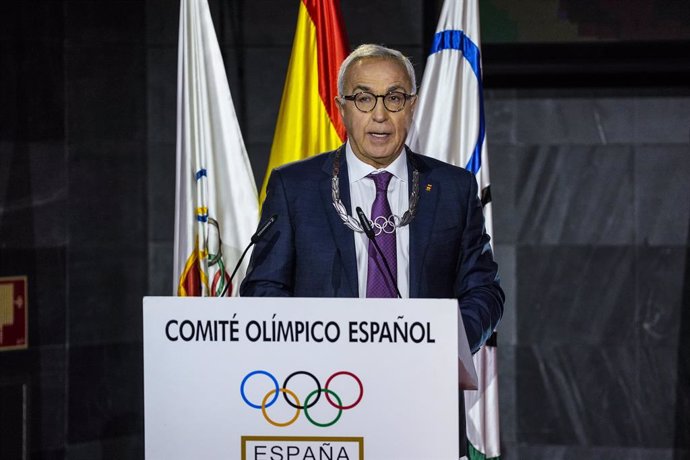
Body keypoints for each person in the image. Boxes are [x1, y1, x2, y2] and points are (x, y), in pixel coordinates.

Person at [240, 43, 504, 455]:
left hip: (424, 404)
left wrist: (442, 346)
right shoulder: (296, 188)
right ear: (342, 106)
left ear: (412, 106)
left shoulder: (452, 188)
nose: (379, 114)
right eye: (364, 98)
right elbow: (263, 290)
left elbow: (485, 291)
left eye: (394, 98)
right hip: (322, 400)